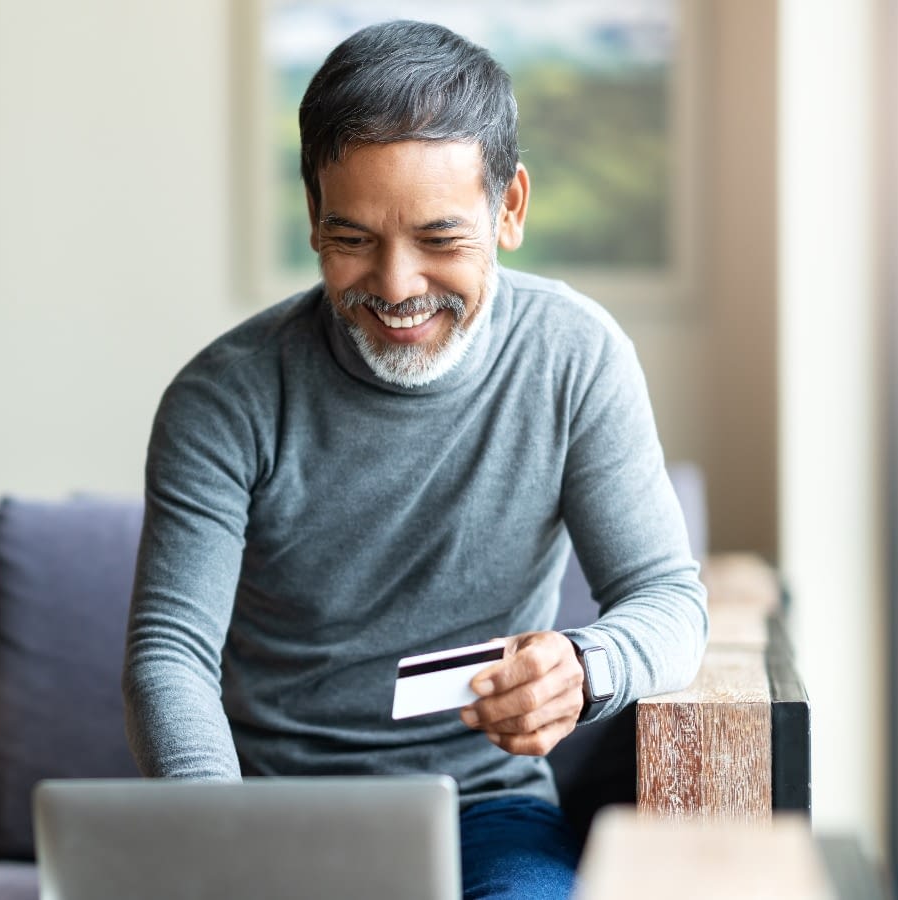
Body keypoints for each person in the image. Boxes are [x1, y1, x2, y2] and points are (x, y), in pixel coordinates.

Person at [121, 19, 708, 900]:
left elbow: (669, 599)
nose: (395, 286)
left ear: (508, 210)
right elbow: (169, 654)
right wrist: (222, 839)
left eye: (439, 239)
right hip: (267, 814)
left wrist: (589, 668)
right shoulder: (224, 397)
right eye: (353, 238)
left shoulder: (575, 357)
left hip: (483, 808)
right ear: (315, 216)